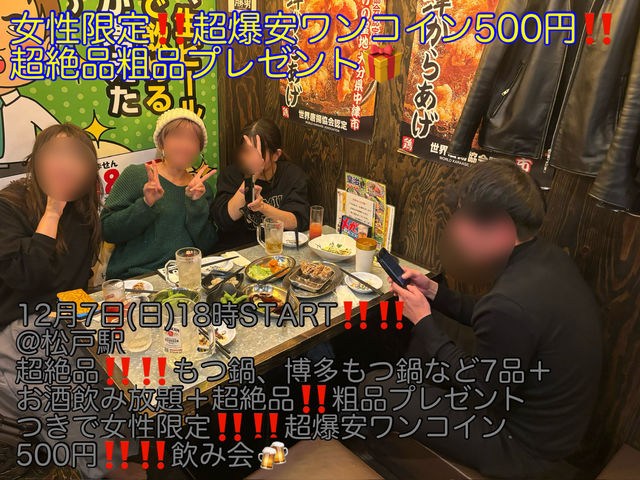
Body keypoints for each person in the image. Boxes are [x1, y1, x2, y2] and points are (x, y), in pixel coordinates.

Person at [379, 159, 602, 479]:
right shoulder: (546, 257)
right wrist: (433, 291)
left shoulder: (510, 301)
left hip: (522, 447)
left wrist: (423, 320)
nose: (457, 230)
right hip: (549, 423)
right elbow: (491, 316)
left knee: (373, 388)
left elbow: (481, 392)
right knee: (423, 347)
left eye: (463, 218)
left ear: (500, 227)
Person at [0, 124, 145, 480]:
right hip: (16, 329)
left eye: (76, 158)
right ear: (36, 161)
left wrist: (100, 309)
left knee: (111, 371)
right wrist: (52, 210)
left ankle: (128, 450)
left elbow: (75, 283)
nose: (65, 166)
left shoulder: (83, 212)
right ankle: (104, 467)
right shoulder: (9, 205)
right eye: (55, 155)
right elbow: (27, 277)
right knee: (63, 392)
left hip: (65, 318)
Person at [101, 108, 217, 279]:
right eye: (177, 136)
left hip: (186, 276)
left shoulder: (201, 189)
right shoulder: (136, 175)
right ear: (161, 143)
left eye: (192, 139)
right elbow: (107, 231)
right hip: (138, 278)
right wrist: (146, 204)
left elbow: (208, 246)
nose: (185, 145)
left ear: (199, 148)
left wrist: (196, 204)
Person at [211, 118, 309, 249]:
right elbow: (224, 219)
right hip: (238, 251)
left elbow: (297, 222)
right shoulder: (231, 175)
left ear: (276, 155)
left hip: (277, 250)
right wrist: (252, 177)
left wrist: (263, 207)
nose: (250, 158)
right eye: (246, 151)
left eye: (257, 152)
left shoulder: (292, 175)